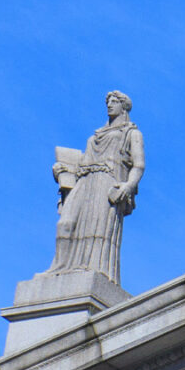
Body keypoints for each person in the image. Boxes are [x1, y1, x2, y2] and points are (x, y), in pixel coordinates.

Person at [50, 90, 146, 284]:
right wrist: (64, 170)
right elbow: (83, 163)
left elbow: (139, 165)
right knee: (65, 224)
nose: (109, 105)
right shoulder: (96, 135)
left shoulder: (131, 133)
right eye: (108, 102)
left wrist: (128, 186)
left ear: (123, 106)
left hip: (106, 181)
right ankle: (59, 267)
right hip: (84, 181)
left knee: (97, 230)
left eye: (114, 102)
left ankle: (93, 269)